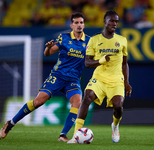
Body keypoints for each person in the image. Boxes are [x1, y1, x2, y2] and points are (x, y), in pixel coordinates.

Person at [0, 12, 90, 142]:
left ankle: (63, 135)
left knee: (77, 102)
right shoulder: (63, 37)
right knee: (38, 102)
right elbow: (48, 53)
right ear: (71, 25)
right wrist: (47, 48)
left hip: (73, 79)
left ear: (84, 25)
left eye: (81, 22)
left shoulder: (89, 41)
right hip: (57, 76)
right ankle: (11, 123)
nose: (79, 25)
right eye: (76, 23)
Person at [67, 10, 132, 144]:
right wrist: (100, 61)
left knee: (118, 106)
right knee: (87, 97)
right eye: (112, 21)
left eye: (116, 21)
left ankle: (115, 126)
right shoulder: (94, 40)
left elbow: (125, 64)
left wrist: (126, 82)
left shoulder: (122, 40)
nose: (114, 24)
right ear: (105, 21)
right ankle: (75, 135)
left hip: (116, 79)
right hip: (99, 78)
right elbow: (87, 63)